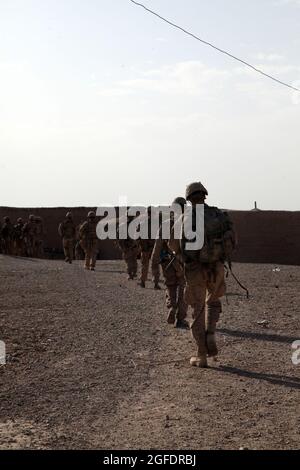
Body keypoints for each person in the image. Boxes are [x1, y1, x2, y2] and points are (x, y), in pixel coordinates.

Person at [170, 182, 235, 368]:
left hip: (194, 269)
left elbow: (174, 246)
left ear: (189, 198)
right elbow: (233, 241)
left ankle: (201, 355)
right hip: (216, 267)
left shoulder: (183, 218)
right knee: (213, 301)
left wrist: (182, 257)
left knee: (197, 308)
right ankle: (211, 332)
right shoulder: (219, 215)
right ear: (205, 195)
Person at [151, 197, 189, 329]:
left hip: (167, 262)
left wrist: (154, 262)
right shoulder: (188, 223)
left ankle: (172, 307)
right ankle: (180, 318)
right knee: (183, 288)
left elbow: (157, 246)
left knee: (170, 286)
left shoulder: (166, 224)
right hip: (182, 263)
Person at [138, 207, 160, 289]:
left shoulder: (142, 223)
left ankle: (143, 282)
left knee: (144, 265)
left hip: (145, 248)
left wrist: (140, 245)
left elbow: (136, 236)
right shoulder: (157, 224)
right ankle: (156, 283)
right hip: (153, 247)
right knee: (155, 265)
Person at [116, 215, 139, 280]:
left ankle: (131, 273)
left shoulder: (124, 225)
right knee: (131, 259)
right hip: (129, 245)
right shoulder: (133, 225)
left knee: (130, 260)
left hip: (131, 245)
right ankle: (132, 273)